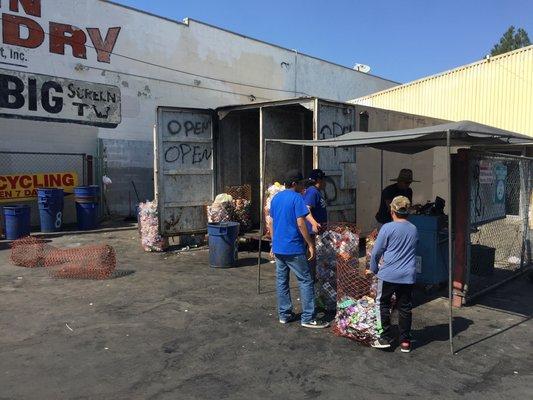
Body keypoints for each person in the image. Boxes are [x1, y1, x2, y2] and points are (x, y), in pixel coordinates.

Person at [269, 169, 329, 329]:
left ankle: (285, 314)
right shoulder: (296, 198)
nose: (304, 186)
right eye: (301, 183)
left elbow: (271, 222)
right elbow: (301, 222)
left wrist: (273, 243)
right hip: (293, 247)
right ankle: (308, 317)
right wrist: (309, 243)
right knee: (305, 280)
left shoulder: (276, 198)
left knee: (282, 281)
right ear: (294, 184)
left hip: (279, 247)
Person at [369, 196, 418, 353]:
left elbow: (377, 251)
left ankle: (384, 336)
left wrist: (374, 268)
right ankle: (405, 341)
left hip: (388, 274)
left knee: (382, 303)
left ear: (392, 211)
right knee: (405, 307)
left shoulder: (387, 228)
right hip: (408, 275)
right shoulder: (414, 229)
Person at [304, 169, 328, 282]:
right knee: (311, 255)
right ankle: (310, 280)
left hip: (316, 231)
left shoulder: (317, 191)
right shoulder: (312, 192)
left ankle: (313, 278)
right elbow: (307, 209)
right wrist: (314, 223)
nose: (326, 182)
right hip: (310, 231)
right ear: (319, 180)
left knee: (315, 256)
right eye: (324, 179)